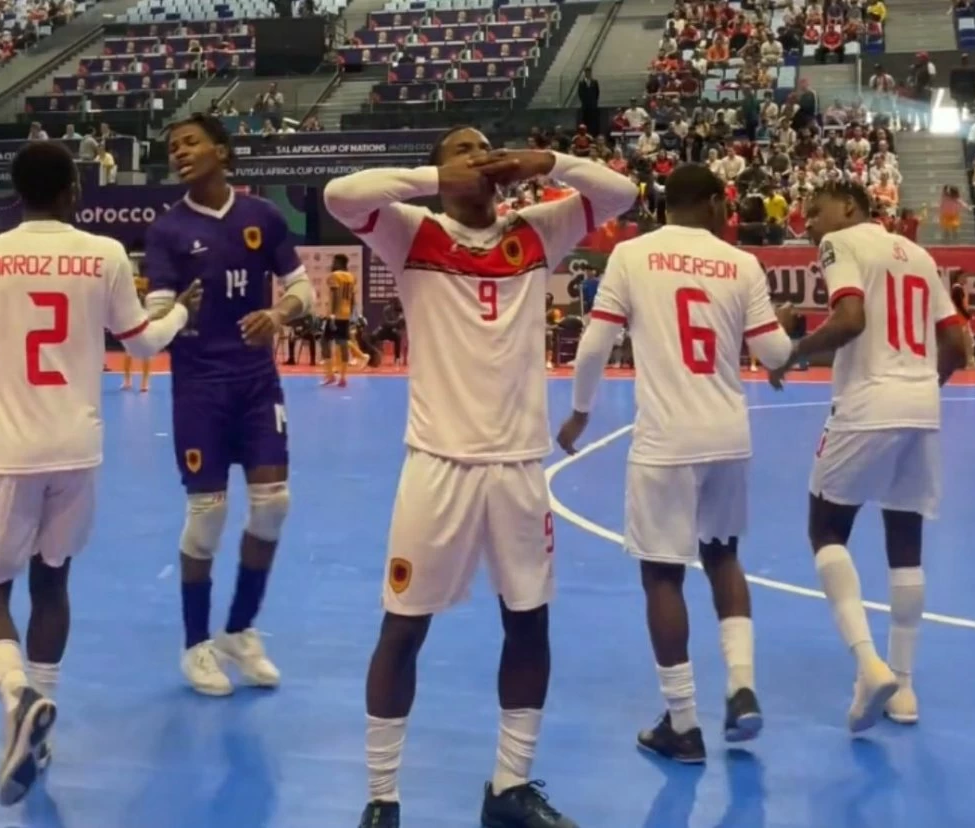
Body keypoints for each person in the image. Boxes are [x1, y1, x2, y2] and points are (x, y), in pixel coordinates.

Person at [324, 127, 637, 828]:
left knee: (528, 623)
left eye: (486, 149)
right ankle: (382, 797)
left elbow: (622, 193)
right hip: (438, 465)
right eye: (461, 149)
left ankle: (510, 787)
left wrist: (547, 164)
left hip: (520, 466)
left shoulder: (536, 230)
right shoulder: (412, 234)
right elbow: (339, 195)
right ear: (438, 170)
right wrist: (439, 181)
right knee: (402, 630)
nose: (479, 156)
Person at [555, 164, 795, 763]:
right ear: (713, 202)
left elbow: (594, 344)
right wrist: (788, 331)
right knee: (723, 555)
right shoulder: (741, 264)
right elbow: (774, 355)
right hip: (728, 435)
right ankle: (741, 686)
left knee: (663, 574)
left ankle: (683, 724)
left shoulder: (633, 256)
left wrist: (581, 413)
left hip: (666, 440)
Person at [0, 142, 200, 805]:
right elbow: (141, 342)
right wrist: (185, 309)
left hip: (4, 448)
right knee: (54, 583)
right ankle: (41, 718)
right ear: (75, 190)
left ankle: (17, 696)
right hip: (77, 447)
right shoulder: (104, 254)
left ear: (15, 192)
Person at [769, 180, 967, 730]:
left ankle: (867, 663)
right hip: (921, 405)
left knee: (825, 529)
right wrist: (926, 386)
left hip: (866, 403)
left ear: (850, 207)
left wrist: (792, 352)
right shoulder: (921, 255)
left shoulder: (842, 244)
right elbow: (957, 345)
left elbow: (850, 320)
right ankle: (904, 687)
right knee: (906, 541)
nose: (808, 223)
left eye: (816, 211)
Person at [144, 114, 314, 696]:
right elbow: (156, 326)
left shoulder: (261, 217)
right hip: (199, 389)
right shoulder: (167, 230)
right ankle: (196, 646)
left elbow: (302, 290)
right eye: (173, 146)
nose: (180, 151)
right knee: (209, 516)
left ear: (222, 149)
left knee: (273, 505)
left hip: (257, 385)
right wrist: (178, 311)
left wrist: (279, 315)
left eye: (190, 141)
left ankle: (239, 631)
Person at [322, 253, 357, 386]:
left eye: (334, 261)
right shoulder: (351, 278)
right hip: (346, 315)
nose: (333, 264)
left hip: (335, 315)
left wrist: (332, 314)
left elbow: (336, 295)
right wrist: (351, 314)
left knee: (325, 342)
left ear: (339, 263)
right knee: (343, 345)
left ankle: (330, 375)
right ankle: (343, 378)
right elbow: (352, 299)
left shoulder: (334, 276)